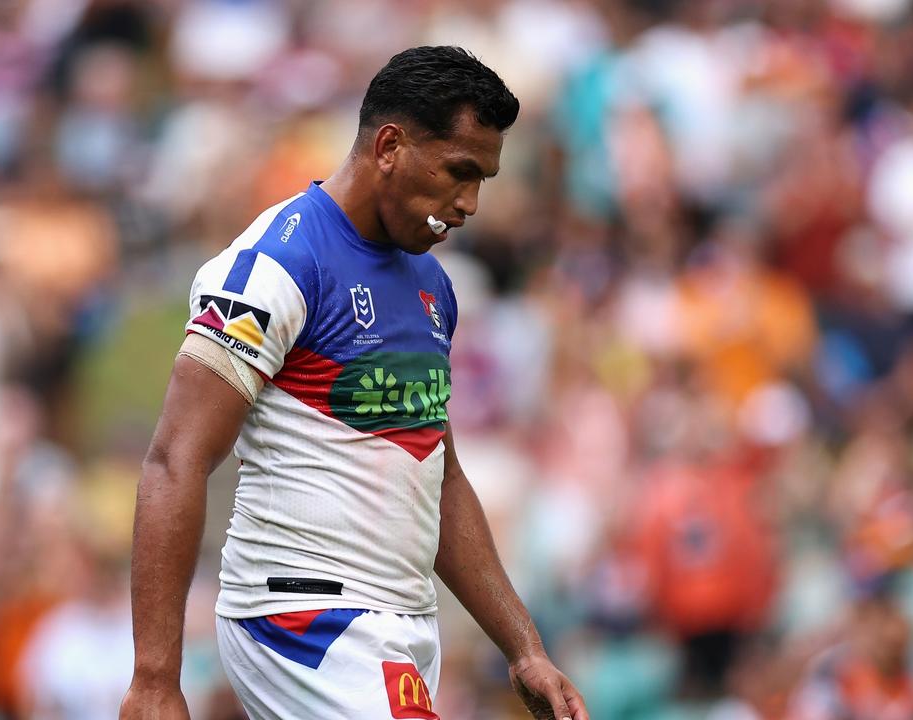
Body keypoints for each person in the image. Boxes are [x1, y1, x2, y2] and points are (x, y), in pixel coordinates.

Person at [119, 46, 589, 720]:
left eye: (482, 180)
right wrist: (155, 678)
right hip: (304, 616)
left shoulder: (432, 287)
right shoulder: (276, 264)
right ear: (390, 146)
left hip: (399, 626)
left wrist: (524, 649)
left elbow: (440, 474)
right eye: (460, 172)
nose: (470, 204)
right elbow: (175, 457)